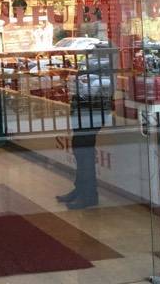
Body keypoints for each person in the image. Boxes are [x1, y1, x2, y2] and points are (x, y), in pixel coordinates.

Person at [56, 40, 114, 209]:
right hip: (85, 111)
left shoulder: (103, 68)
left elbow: (97, 93)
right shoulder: (97, 67)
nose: (92, 54)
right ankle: (81, 189)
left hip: (91, 112)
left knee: (84, 152)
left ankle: (88, 195)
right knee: (79, 149)